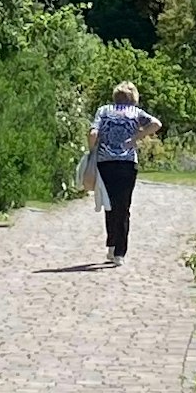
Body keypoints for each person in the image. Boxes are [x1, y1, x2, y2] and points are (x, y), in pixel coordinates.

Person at [84, 82, 162, 262]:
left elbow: (93, 133)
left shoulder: (104, 111)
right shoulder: (136, 113)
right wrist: (136, 138)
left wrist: (92, 151)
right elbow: (156, 124)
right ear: (133, 97)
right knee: (124, 205)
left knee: (109, 204)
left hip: (106, 162)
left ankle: (111, 245)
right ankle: (120, 252)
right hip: (127, 162)